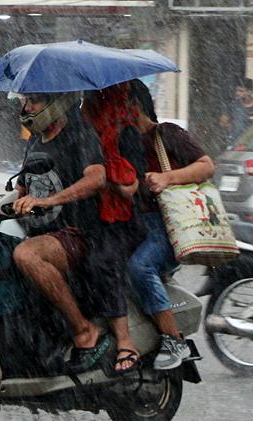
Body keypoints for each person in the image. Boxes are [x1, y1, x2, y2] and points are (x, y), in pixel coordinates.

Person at [10, 92, 111, 373]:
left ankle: (84, 331)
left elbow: (96, 178)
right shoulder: (34, 140)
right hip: (43, 235)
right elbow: (20, 189)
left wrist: (49, 201)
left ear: (56, 101)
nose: (27, 108)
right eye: (24, 101)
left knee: (26, 255)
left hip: (76, 233)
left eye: (35, 100)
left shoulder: (79, 133)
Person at [125, 80, 215, 370]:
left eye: (118, 105)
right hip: (135, 226)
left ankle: (173, 338)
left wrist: (167, 178)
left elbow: (206, 166)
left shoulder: (166, 134)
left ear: (135, 106)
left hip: (169, 227)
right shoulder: (120, 143)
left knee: (140, 267)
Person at [81, 82, 148, 374]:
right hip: (89, 216)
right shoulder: (82, 131)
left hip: (125, 222)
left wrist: (104, 179)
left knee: (102, 261)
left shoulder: (126, 132)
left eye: (96, 97)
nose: (89, 102)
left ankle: (124, 340)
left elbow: (132, 186)